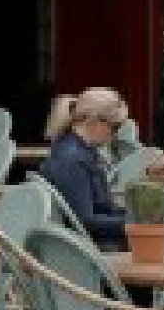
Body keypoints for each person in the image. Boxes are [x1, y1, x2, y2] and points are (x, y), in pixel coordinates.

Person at [40, 88, 131, 247]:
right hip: (90, 250)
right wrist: (133, 224)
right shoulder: (73, 161)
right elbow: (85, 221)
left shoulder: (71, 149)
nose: (115, 135)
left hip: (86, 246)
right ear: (95, 120)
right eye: (115, 126)